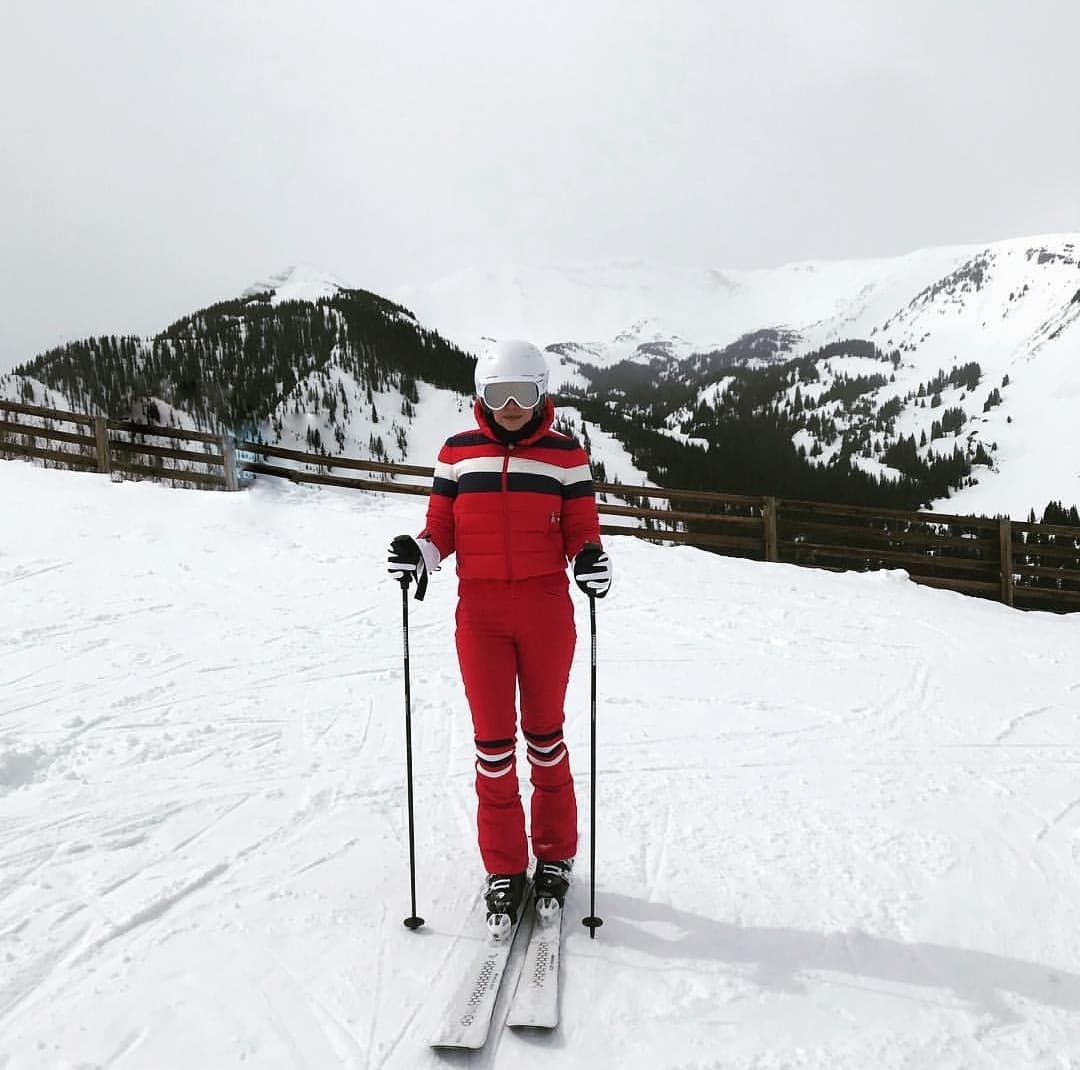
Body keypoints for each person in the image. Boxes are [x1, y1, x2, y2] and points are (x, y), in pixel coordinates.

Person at [387, 338, 612, 930]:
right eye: (497, 394)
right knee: (492, 748)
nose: (510, 406)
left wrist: (591, 563)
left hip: (544, 610)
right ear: (479, 397)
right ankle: (505, 867)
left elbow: (582, 533)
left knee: (545, 737)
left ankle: (555, 857)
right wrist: (421, 554)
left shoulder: (567, 457)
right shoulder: (456, 453)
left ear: (544, 394)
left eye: (522, 394)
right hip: (480, 615)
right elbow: (441, 530)